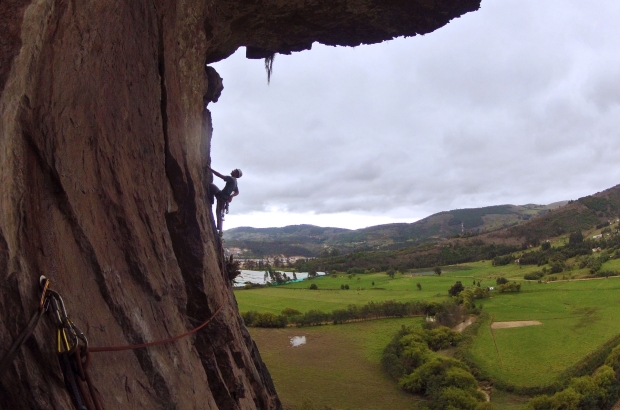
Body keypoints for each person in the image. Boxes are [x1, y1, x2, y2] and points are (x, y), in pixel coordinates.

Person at [207, 166, 242, 234]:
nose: (232, 170)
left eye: (234, 170)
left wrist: (210, 169)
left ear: (236, 174)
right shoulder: (235, 182)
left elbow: (220, 175)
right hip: (223, 197)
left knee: (219, 213)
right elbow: (237, 192)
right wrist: (231, 196)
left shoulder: (231, 179)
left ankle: (220, 230)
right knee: (220, 213)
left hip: (221, 197)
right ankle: (220, 230)